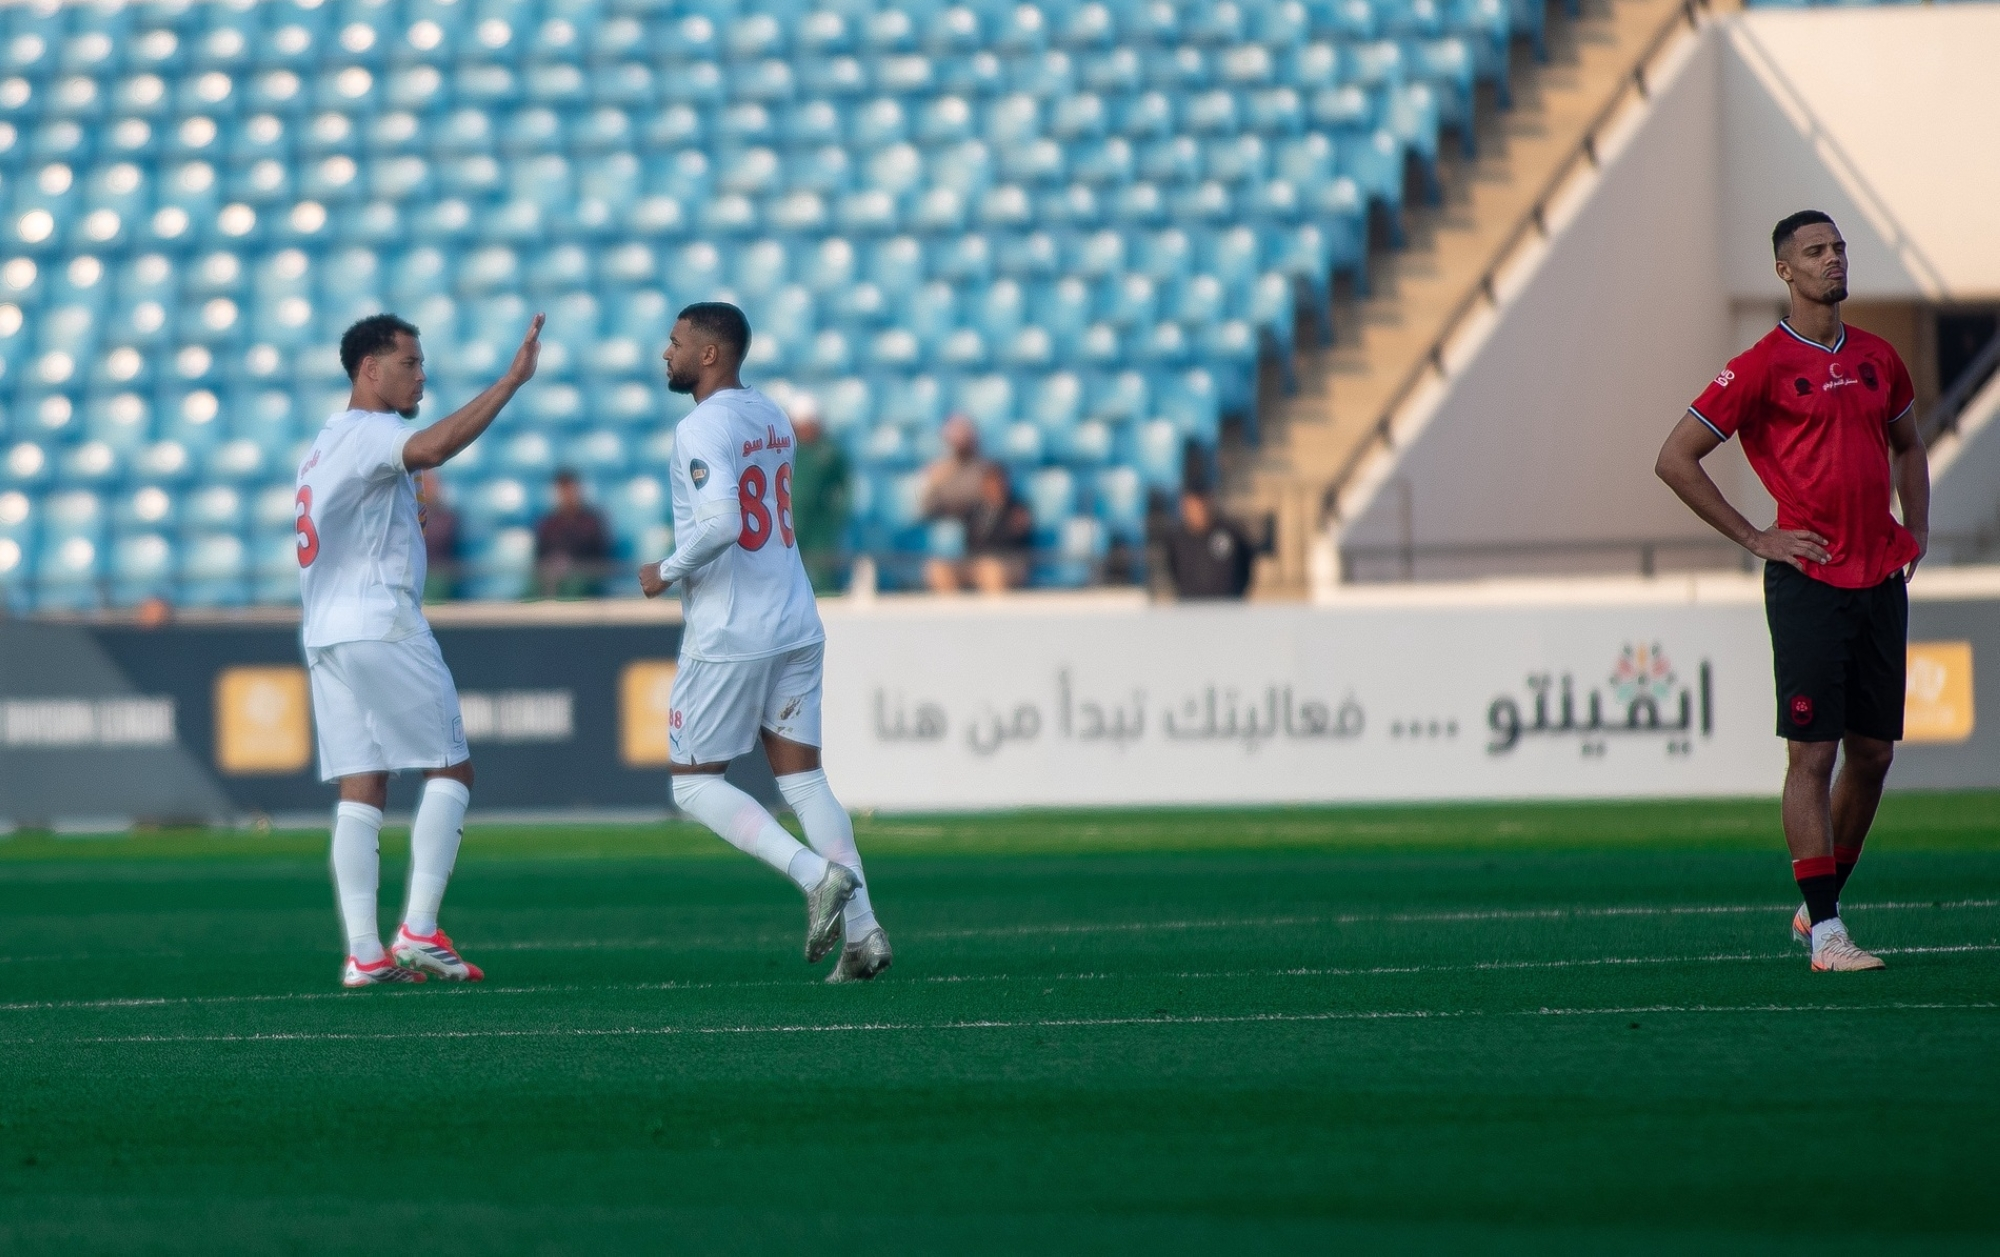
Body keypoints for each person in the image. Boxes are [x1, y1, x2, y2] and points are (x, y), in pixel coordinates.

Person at [1655, 210, 1929, 974]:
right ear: (1785, 270)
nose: (1833, 259)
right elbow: (1675, 457)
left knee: (1872, 754)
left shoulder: (1878, 357)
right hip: (1809, 581)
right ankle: (1829, 933)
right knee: (1812, 754)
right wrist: (1756, 536)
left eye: (1838, 247)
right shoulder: (1760, 367)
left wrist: (1918, 525)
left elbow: (1909, 445)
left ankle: (1817, 904)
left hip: (1880, 576)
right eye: (1815, 251)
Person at [636, 302, 890, 982]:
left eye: (676, 342)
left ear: (709, 354)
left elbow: (722, 522)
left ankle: (814, 876)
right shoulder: (772, 414)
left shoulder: (700, 427)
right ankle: (864, 934)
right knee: (804, 778)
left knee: (694, 785)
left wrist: (665, 571)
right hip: (794, 615)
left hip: (732, 628)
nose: (666, 353)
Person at [298, 310, 544, 988]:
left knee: (363, 782)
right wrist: (510, 382)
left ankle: (364, 952)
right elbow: (432, 449)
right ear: (369, 369)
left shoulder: (325, 442)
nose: (421, 376)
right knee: (451, 768)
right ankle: (419, 929)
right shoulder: (374, 431)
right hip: (380, 621)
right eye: (409, 363)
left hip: (326, 629)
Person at [925, 462, 1032, 593]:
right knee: (938, 570)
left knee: (990, 571)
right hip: (974, 561)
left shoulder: (1016, 510)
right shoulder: (974, 509)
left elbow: (1018, 539)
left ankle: (995, 606)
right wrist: (935, 484)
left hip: (1007, 562)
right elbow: (936, 511)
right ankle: (952, 605)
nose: (993, 487)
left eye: (997, 482)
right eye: (989, 482)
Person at [785, 393, 851, 594]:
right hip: (790, 518)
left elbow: (845, 485)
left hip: (819, 523)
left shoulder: (828, 453)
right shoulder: (786, 450)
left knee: (822, 570)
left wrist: (837, 513)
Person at [1161, 487, 1255, 600]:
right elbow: (1171, 568)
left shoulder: (1230, 532)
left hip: (1227, 604)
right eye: (1192, 507)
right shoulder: (1176, 538)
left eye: (1200, 506)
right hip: (1190, 605)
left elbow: (1246, 564)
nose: (1197, 511)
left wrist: (1237, 593)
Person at [532, 468, 611, 598]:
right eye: (562, 490)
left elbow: (599, 555)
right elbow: (540, 556)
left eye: (569, 489)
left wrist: (571, 564)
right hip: (552, 574)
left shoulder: (592, 522)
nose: (566, 495)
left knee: (573, 586)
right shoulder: (547, 523)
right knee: (532, 587)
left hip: (584, 575)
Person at [417, 469, 458, 602]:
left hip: (438, 576)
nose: (425, 488)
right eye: (421, 484)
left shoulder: (447, 518)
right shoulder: (404, 517)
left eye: (429, 484)